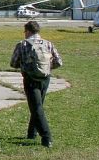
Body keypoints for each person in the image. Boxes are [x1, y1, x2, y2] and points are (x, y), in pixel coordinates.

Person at [10, 20, 63, 148]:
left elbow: (13, 63)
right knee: (37, 105)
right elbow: (58, 61)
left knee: (36, 108)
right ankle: (31, 133)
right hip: (45, 78)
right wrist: (46, 69)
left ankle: (47, 137)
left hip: (30, 79)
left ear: (28, 31)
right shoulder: (48, 43)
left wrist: (24, 65)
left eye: (25, 31)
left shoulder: (22, 44)